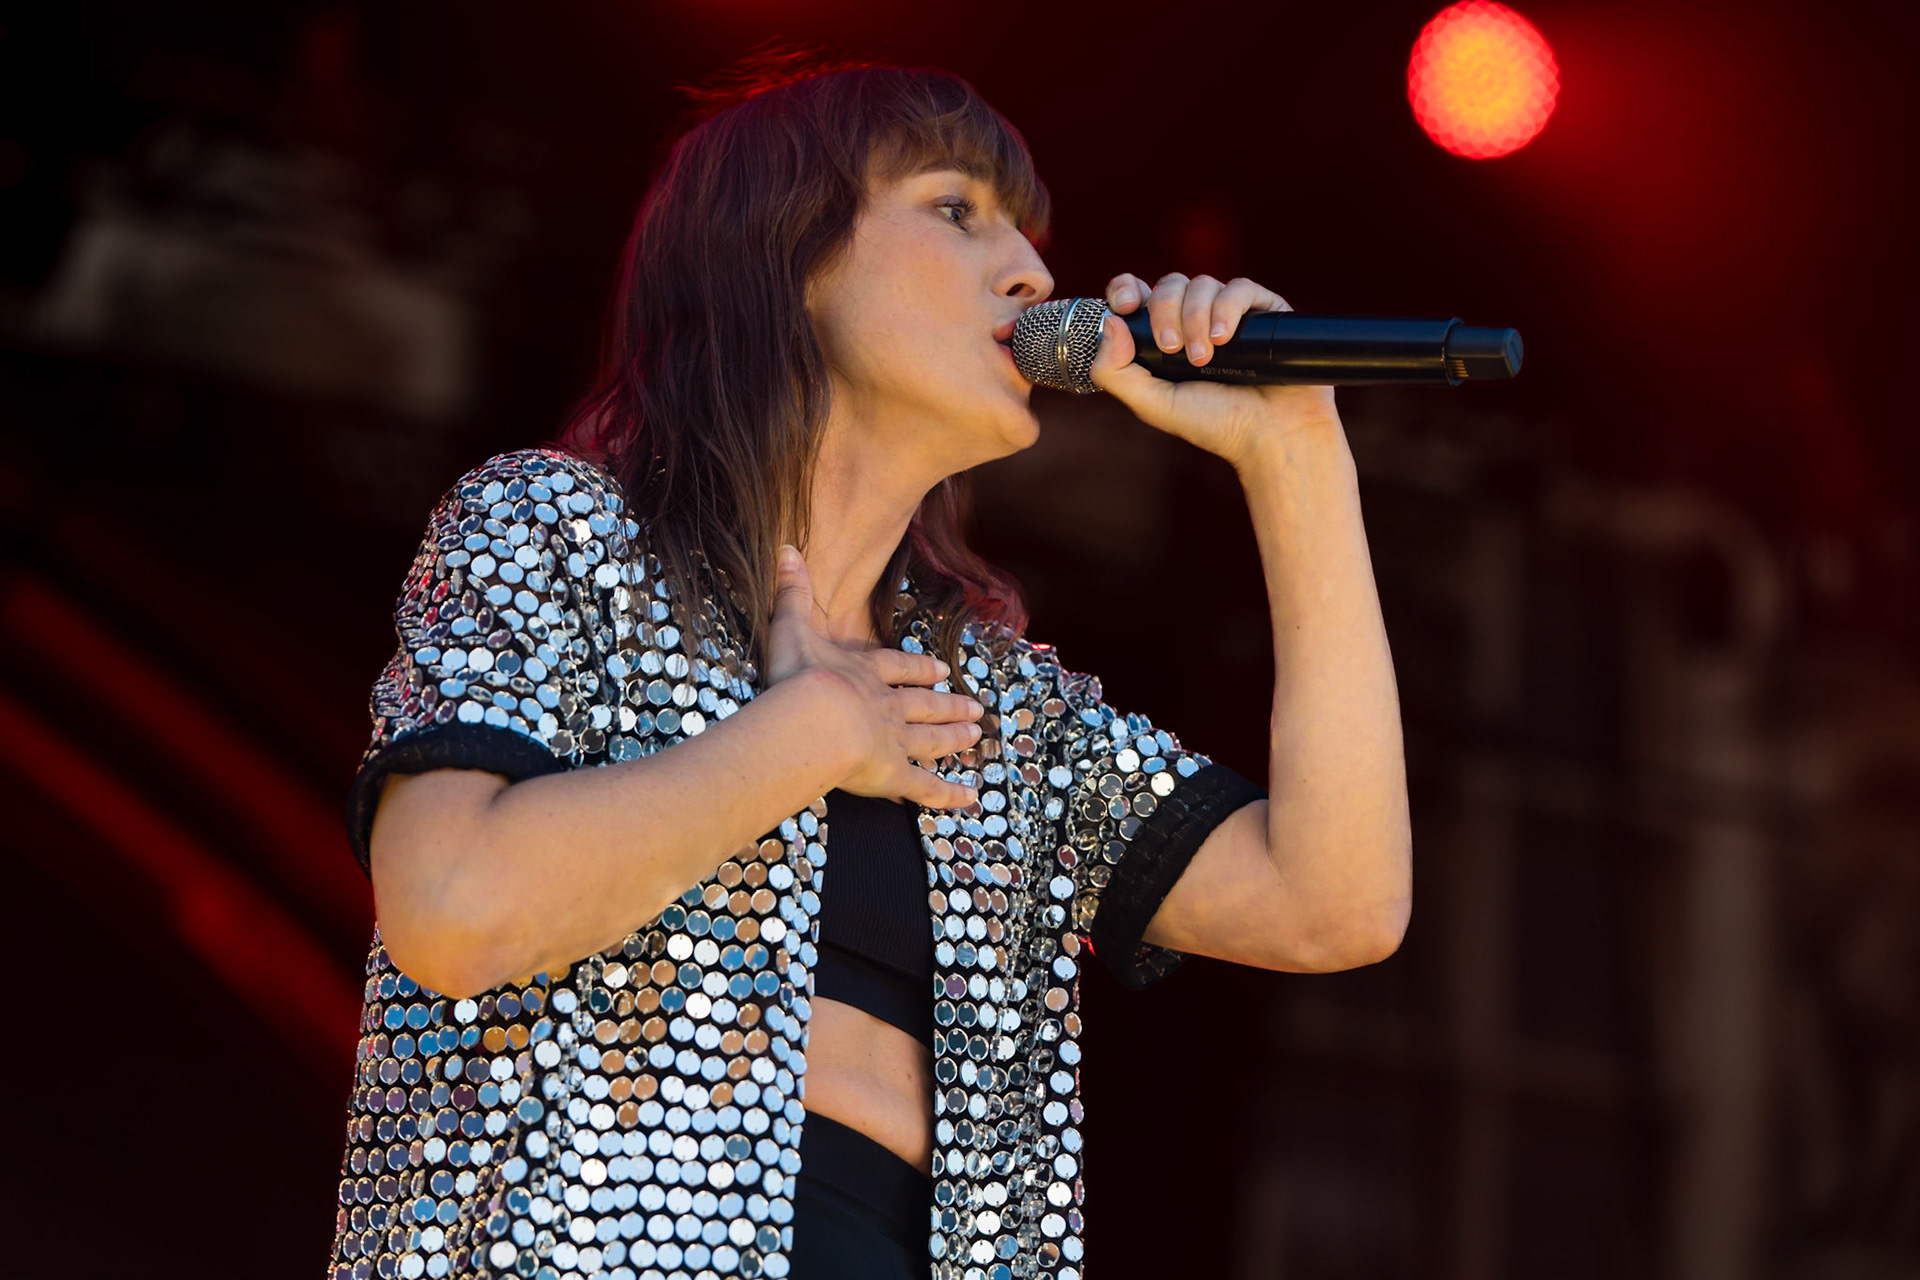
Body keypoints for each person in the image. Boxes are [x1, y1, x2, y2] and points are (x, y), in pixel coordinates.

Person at [328, 49, 1411, 1280]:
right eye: (957, 209)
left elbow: (1336, 901)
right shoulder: (561, 532)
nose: (1031, 272)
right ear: (788, 255)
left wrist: (1297, 458)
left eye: (1027, 235)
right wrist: (813, 733)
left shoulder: (988, 706)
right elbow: (455, 906)